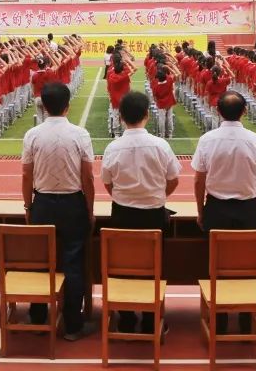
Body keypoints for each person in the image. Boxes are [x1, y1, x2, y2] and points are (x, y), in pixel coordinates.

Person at [21, 82, 95, 341]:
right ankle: (73, 325)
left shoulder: (33, 134)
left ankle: (38, 317)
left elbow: (26, 175)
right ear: (68, 105)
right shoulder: (80, 134)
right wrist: (90, 209)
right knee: (73, 264)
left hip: (42, 203)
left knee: (41, 262)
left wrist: (28, 206)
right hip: (72, 203)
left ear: (43, 105)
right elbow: (88, 178)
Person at [101, 91, 180, 335]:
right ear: (147, 115)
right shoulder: (160, 145)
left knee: (123, 268)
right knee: (153, 268)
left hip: (122, 213)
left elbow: (108, 183)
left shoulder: (113, 147)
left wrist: (125, 196)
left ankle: (126, 319)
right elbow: (173, 179)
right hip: (154, 214)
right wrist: (157, 195)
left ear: (121, 116)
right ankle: (149, 320)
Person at [191, 90, 256, 334]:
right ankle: (246, 323)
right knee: (246, 267)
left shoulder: (207, 140)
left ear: (217, 110)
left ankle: (220, 323)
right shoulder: (255, 141)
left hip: (216, 208)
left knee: (217, 267)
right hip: (247, 209)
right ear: (245, 111)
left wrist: (200, 211)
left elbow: (198, 182)